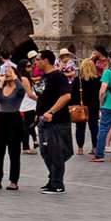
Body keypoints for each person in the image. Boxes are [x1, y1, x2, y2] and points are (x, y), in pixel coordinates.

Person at [35, 52, 75, 193]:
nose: (36, 62)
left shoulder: (58, 76)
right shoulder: (45, 77)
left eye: (38, 60)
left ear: (45, 60)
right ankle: (52, 179)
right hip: (43, 121)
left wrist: (51, 112)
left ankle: (57, 184)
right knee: (46, 152)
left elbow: (66, 96)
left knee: (56, 152)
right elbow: (43, 96)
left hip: (57, 121)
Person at [0, 63, 31, 190]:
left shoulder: (18, 88)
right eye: (5, 73)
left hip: (14, 119)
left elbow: (22, 91)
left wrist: (15, 77)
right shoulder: (2, 87)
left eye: (9, 73)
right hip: (0, 119)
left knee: (14, 152)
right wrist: (1, 82)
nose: (7, 75)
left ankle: (14, 181)